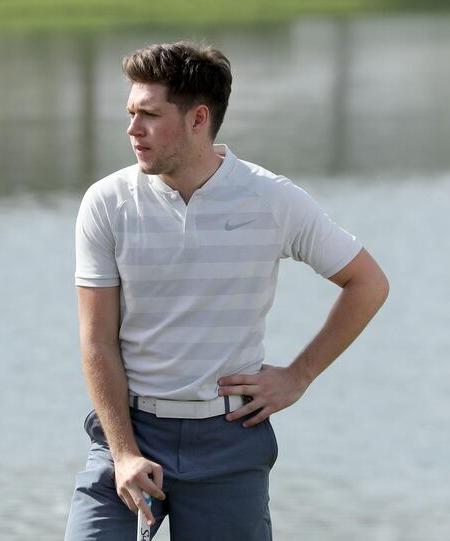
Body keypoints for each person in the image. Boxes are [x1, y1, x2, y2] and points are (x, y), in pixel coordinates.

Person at [64, 41, 389, 540]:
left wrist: (298, 376)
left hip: (228, 442)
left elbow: (367, 283)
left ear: (198, 119)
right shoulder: (107, 203)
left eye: (149, 115)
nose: (132, 129)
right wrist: (125, 452)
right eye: (131, 113)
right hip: (127, 434)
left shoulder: (272, 199)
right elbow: (97, 341)